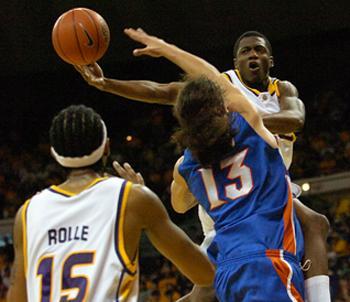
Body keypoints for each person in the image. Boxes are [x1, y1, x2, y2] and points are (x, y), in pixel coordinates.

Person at [75, 31, 330, 302]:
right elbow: (162, 90)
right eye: (246, 51)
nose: (253, 55)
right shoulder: (242, 115)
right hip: (259, 218)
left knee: (209, 285)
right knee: (312, 225)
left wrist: (145, 197)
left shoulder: (188, 162)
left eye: (259, 50)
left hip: (244, 206)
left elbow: (178, 206)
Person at [6, 104, 214, 302]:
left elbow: (16, 297)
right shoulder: (132, 197)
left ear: (54, 154)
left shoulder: (27, 212)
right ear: (106, 147)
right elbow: (206, 274)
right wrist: (142, 202)